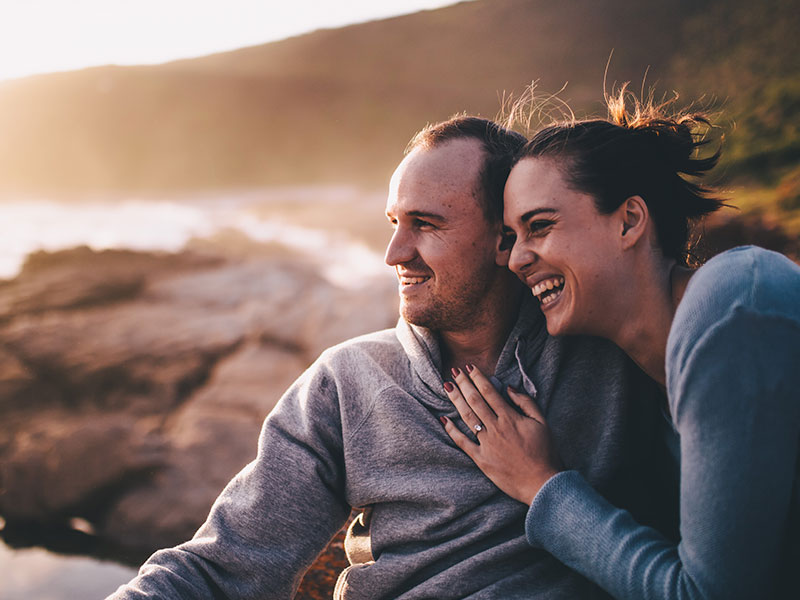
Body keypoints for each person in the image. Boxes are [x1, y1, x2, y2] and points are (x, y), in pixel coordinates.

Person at [108, 116, 666, 600]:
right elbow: (223, 567)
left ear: (505, 238)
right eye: (394, 223)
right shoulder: (347, 381)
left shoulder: (611, 355)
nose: (394, 253)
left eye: (425, 224)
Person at [442, 91, 800, 600]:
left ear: (630, 220)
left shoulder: (735, 305)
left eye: (540, 226)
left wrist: (542, 485)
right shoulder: (645, 382)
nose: (516, 258)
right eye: (510, 236)